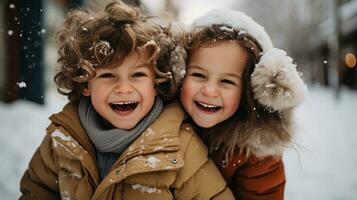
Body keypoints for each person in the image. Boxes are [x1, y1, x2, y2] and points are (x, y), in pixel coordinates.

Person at [19, 2, 234, 199]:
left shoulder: (181, 148)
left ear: (156, 83)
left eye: (137, 75)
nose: (123, 88)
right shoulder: (62, 139)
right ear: (85, 84)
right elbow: (36, 191)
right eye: (108, 75)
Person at [180, 9, 307, 199]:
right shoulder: (164, 124)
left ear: (248, 91)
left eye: (227, 81)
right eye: (199, 75)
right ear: (179, 73)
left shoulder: (257, 156)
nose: (209, 90)